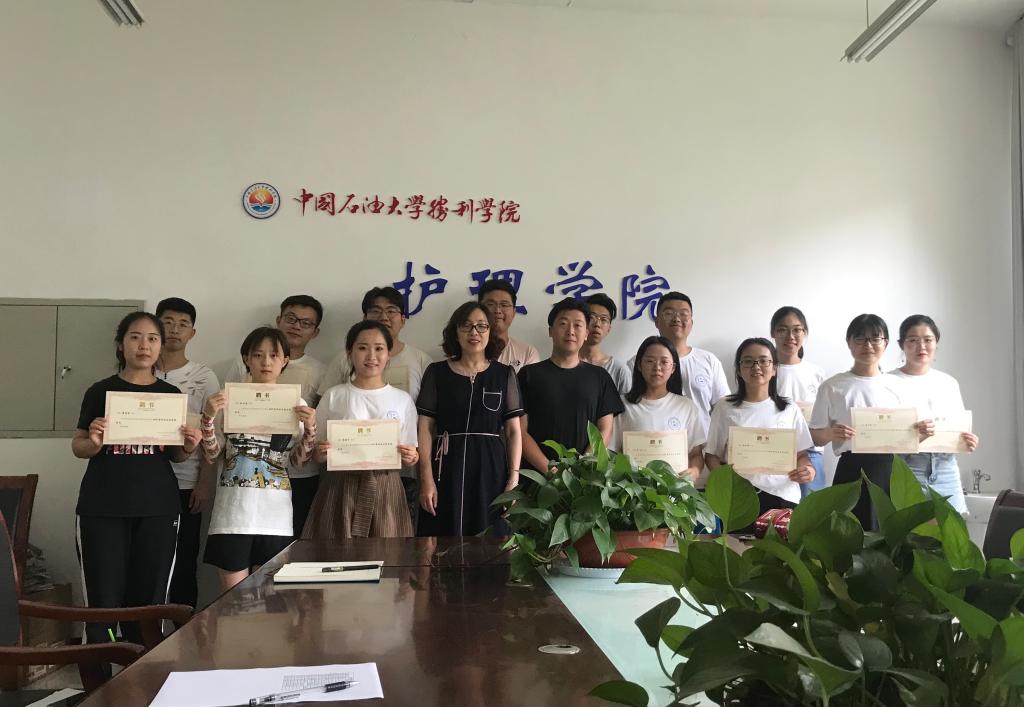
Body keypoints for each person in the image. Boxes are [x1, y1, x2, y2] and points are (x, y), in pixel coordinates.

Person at [72, 312, 201, 643]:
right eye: (135, 337)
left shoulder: (170, 395)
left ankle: (143, 666)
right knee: (103, 601)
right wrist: (95, 441)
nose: (144, 345)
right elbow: (79, 446)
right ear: (121, 344)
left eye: (152, 339)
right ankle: (100, 666)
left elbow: (175, 455)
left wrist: (188, 446)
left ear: (160, 347)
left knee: (149, 602)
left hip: (158, 508)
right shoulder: (100, 391)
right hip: (103, 508)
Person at [201, 328, 317, 591]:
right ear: (246, 358)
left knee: (268, 602)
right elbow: (213, 453)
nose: (266, 362)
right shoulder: (227, 399)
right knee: (233, 600)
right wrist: (207, 418)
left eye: (274, 355)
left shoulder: (295, 402)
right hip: (232, 514)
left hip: (275, 516)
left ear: (285, 360)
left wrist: (310, 428)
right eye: (258, 355)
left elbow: (299, 462)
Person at [810, 314, 933, 530]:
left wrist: (923, 433)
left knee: (890, 533)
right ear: (849, 342)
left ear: (885, 343)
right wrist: (831, 434)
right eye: (860, 339)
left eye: (875, 339)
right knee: (847, 533)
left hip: (890, 468)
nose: (868, 345)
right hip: (851, 469)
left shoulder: (900, 385)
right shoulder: (832, 386)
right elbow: (814, 436)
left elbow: (910, 441)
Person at [417, 302, 524, 537]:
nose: (474, 332)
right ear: (455, 332)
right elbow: (425, 427)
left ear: (490, 332)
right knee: (442, 532)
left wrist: (513, 478)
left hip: (490, 466)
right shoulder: (437, 372)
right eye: (466, 325)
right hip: (446, 465)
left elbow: (513, 431)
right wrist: (426, 478)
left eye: (481, 326)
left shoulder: (504, 374)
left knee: (491, 532)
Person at [308, 321, 420, 539]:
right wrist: (320, 453)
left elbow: (411, 455)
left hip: (386, 488)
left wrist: (410, 456)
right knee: (337, 553)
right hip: (340, 487)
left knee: (387, 554)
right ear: (349, 353)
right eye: (362, 348)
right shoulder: (334, 395)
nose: (371, 356)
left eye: (379, 348)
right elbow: (316, 452)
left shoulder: (402, 400)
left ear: (388, 354)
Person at [224, 295, 325, 535]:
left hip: (295, 471)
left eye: (305, 322)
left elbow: (314, 423)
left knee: (289, 536)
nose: (296, 326)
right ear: (279, 319)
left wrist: (310, 427)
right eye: (291, 318)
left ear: (315, 331)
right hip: (241, 477)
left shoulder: (320, 370)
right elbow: (228, 414)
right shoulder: (240, 366)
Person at [154, 297, 220, 610]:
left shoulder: (204, 376)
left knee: (183, 563)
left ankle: (184, 630)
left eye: (183, 324)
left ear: (192, 333)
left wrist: (205, 483)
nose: (174, 330)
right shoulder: (139, 372)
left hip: (186, 482)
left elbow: (214, 434)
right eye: (167, 322)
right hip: (145, 481)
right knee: (148, 562)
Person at [705, 338, 816, 514]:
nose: (756, 367)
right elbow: (712, 456)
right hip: (739, 499)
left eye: (764, 361)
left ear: (774, 369)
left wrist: (808, 470)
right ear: (739, 370)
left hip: (783, 496)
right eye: (748, 361)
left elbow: (801, 454)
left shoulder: (789, 408)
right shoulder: (724, 407)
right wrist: (727, 484)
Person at [518, 298, 624, 471]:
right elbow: (520, 431)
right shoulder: (528, 374)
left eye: (578, 325)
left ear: (586, 333)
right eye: (563, 324)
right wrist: (548, 470)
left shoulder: (600, 377)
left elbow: (605, 429)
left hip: (585, 478)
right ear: (550, 331)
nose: (570, 331)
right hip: (536, 476)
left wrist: (582, 466)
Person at [890, 315, 978, 513]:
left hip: (946, 466)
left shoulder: (948, 382)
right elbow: (883, 437)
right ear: (901, 344)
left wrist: (967, 440)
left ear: (936, 342)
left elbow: (957, 426)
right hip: (908, 467)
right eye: (913, 340)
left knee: (952, 528)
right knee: (911, 529)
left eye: (928, 339)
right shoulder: (887, 382)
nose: (921, 346)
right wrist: (914, 436)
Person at [628, 292, 730, 428]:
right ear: (657, 322)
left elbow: (723, 408)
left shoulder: (709, 361)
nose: (676, 319)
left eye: (683, 314)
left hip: (702, 440)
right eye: (669, 313)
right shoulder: (638, 363)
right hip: (653, 439)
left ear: (691, 323)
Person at [615, 336, 705, 481]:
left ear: (673, 368)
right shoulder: (622, 405)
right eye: (650, 361)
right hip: (633, 489)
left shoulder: (686, 406)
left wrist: (694, 471)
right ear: (639, 365)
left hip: (675, 490)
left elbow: (696, 454)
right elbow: (613, 452)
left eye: (664, 362)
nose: (657, 367)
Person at [770, 306, 827, 497]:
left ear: (805, 333)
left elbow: (824, 418)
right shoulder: (764, 370)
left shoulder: (817, 373)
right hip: (771, 452)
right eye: (782, 329)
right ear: (773, 333)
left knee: (812, 512)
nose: (790, 336)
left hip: (811, 453)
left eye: (797, 330)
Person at [477, 279, 539, 374]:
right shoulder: (467, 349)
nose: (497, 310)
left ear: (514, 312)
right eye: (490, 304)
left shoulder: (527, 352)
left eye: (504, 305)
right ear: (478, 310)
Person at [580, 293, 631, 395]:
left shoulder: (619, 370)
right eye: (592, 317)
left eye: (604, 319)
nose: (597, 324)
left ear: (609, 329)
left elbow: (626, 405)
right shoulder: (567, 363)